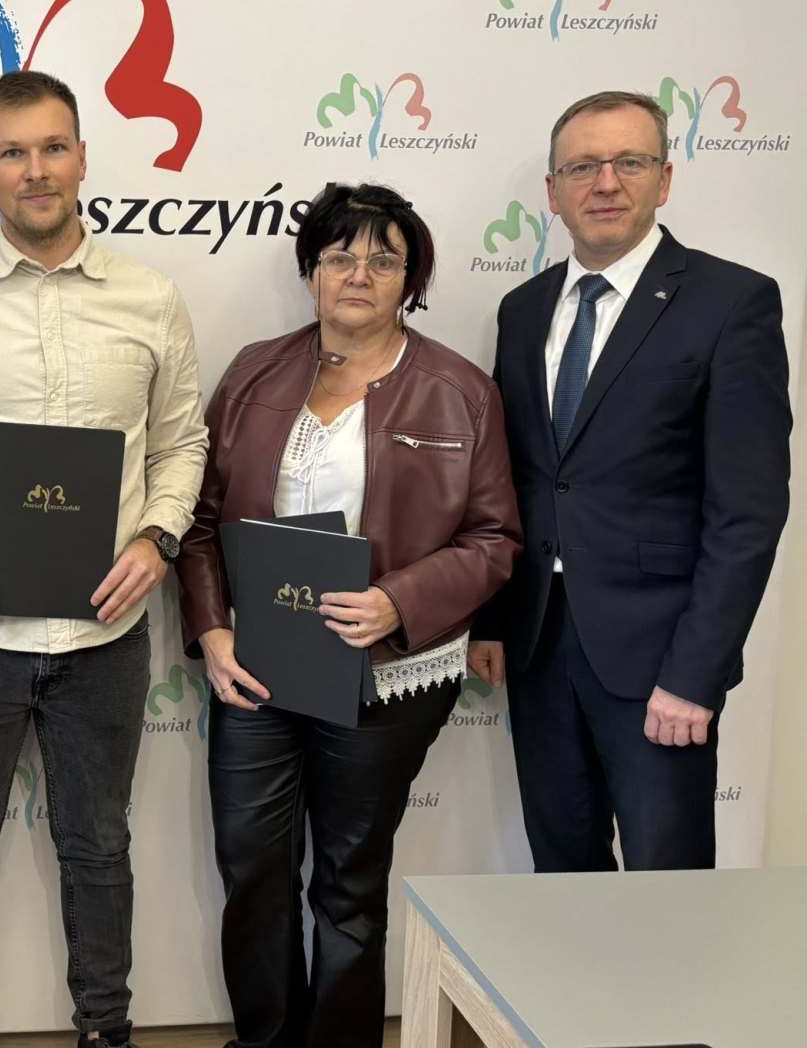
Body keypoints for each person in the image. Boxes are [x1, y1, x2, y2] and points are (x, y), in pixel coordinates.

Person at [0, 70, 208, 1048]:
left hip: (106, 634)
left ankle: (107, 1032)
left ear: (83, 156)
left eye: (53, 147)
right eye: (12, 153)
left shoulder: (151, 299)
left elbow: (182, 443)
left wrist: (157, 538)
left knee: (99, 849)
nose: (36, 169)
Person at [176, 182, 521, 1047]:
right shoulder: (253, 371)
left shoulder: (460, 391)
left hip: (387, 673)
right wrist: (211, 628)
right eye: (339, 256)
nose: (358, 274)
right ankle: (264, 1038)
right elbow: (200, 520)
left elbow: (493, 539)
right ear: (310, 271)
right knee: (251, 869)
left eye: (382, 259)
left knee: (348, 883)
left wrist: (397, 600)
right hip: (258, 666)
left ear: (411, 280)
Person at [469, 91, 791, 872]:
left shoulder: (731, 303)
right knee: (562, 874)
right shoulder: (522, 310)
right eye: (582, 167)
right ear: (552, 191)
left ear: (664, 179)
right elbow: (513, 481)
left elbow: (746, 513)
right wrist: (491, 622)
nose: (605, 183)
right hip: (539, 647)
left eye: (629, 162)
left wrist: (694, 674)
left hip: (658, 660)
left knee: (664, 891)